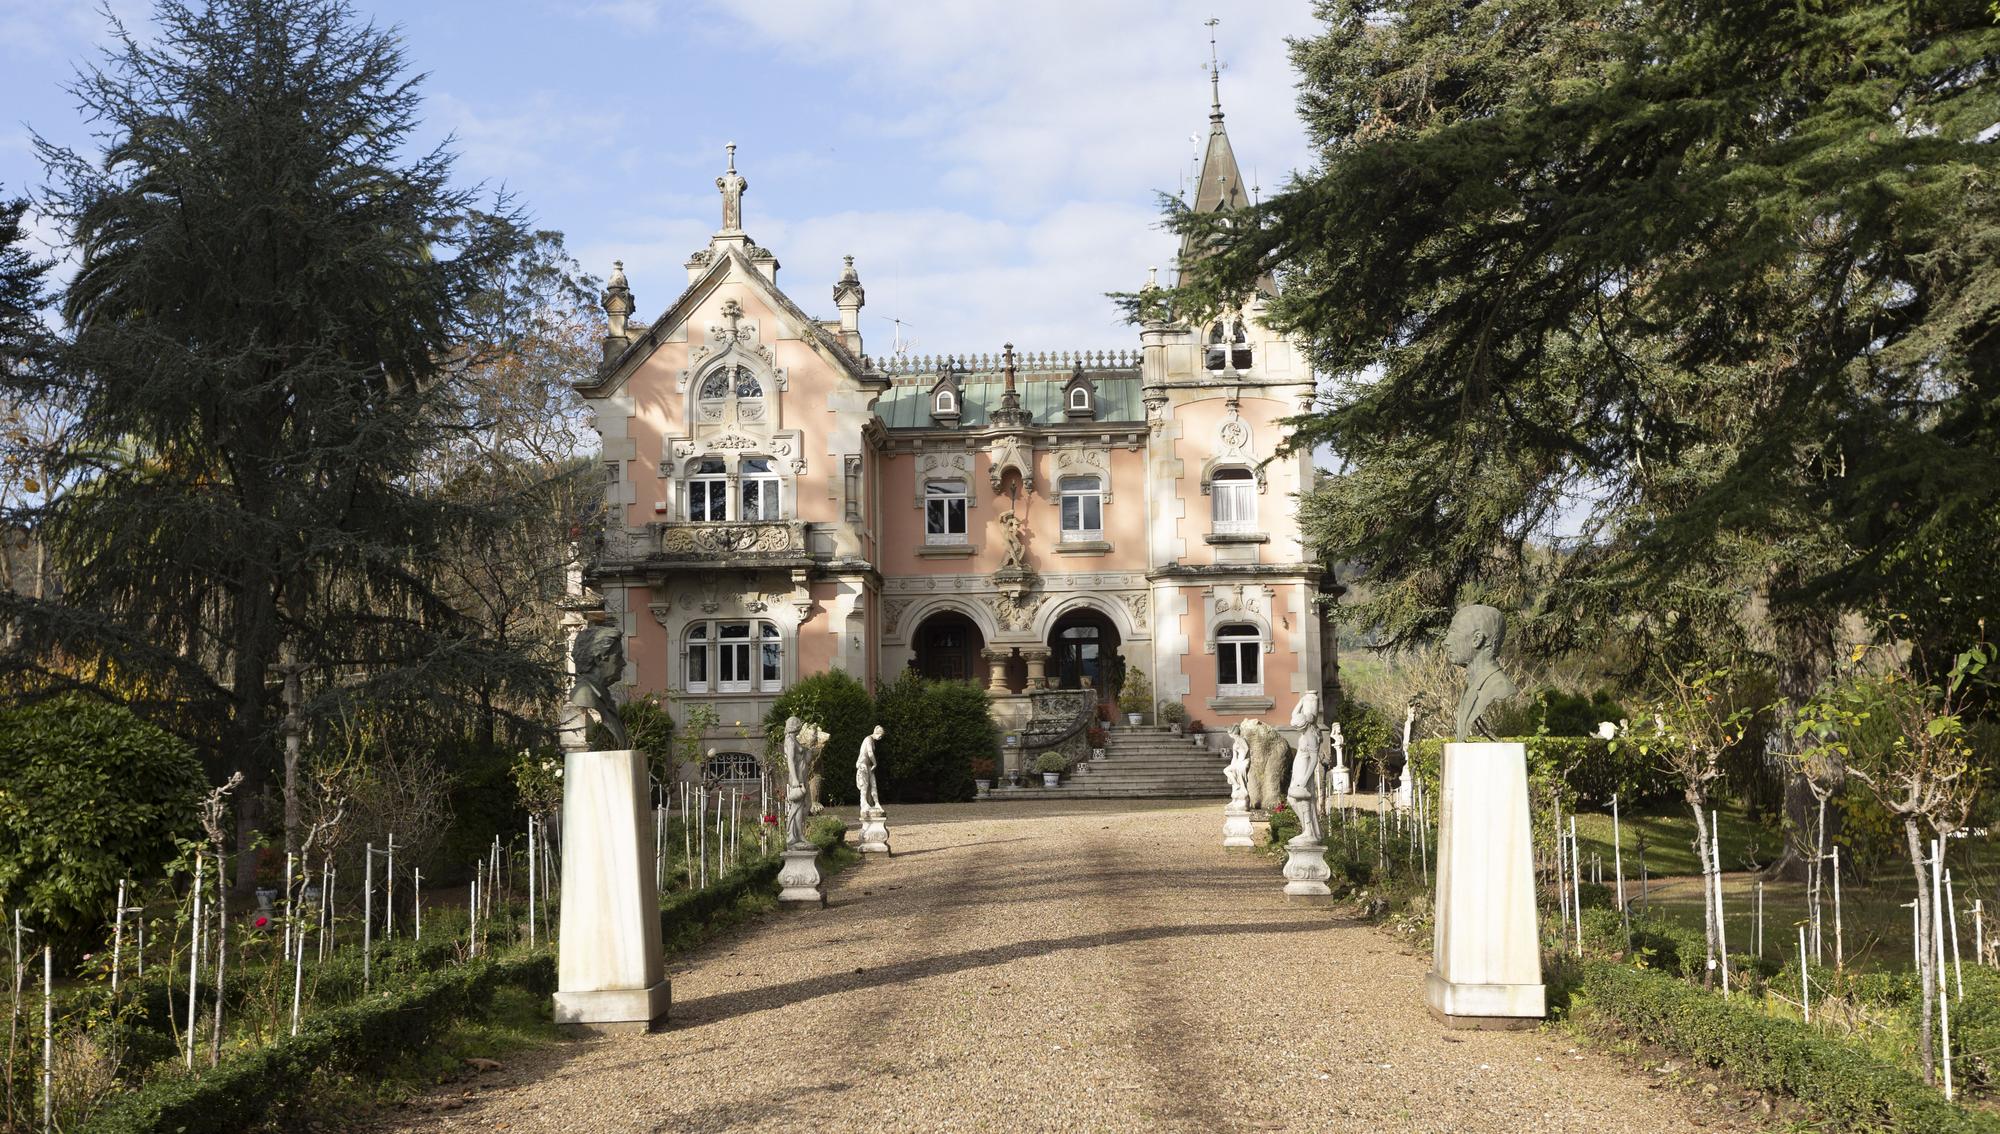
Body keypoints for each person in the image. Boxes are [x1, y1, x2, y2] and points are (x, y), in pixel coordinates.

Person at [1445, 604, 1517, 740]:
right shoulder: (1471, 685)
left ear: (1477, 639)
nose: (1446, 641)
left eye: (1453, 631)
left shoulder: (1500, 687)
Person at [568, 624, 628, 750]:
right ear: (599, 659)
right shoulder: (584, 697)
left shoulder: (603, 697)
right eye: (618, 657)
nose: (623, 663)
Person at [856, 726, 885, 814]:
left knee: (873, 784)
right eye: (880, 735)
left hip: (868, 765)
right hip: (862, 764)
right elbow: (870, 752)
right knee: (864, 786)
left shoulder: (872, 741)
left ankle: (876, 803)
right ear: (876, 733)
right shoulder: (868, 739)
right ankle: (864, 804)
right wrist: (875, 763)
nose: (880, 738)